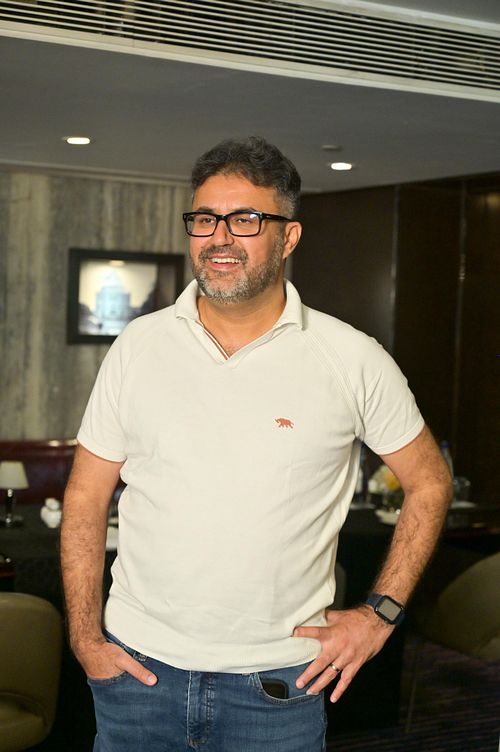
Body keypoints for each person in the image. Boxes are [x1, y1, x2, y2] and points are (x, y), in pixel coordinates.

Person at [61, 136, 452, 752]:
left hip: (277, 685)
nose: (219, 237)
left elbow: (429, 482)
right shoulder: (138, 345)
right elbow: (85, 497)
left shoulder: (351, 357)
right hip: (138, 675)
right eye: (205, 219)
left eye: (245, 219)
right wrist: (85, 637)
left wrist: (380, 615)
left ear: (288, 237)